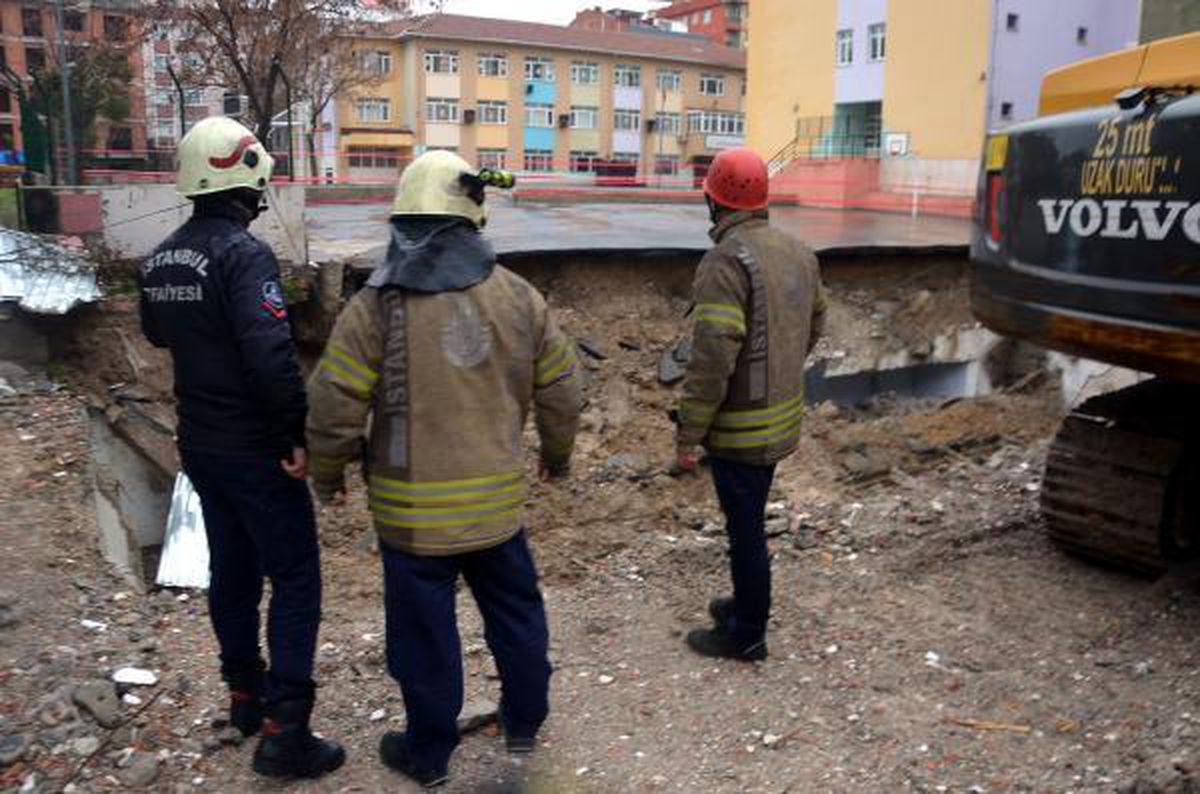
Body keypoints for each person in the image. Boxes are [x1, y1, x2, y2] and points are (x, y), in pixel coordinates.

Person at [306, 150, 582, 788]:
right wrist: (556, 456)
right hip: (497, 515)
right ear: (473, 216)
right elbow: (565, 389)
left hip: (412, 523)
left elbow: (331, 405)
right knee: (517, 617)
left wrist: (329, 475)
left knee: (424, 641)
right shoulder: (519, 296)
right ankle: (524, 723)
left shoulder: (377, 307)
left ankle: (428, 756)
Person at [139, 116, 344, 778]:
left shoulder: (162, 255)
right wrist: (292, 434)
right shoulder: (244, 255)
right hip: (255, 446)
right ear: (245, 179)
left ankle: (244, 695)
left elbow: (158, 334)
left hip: (201, 444)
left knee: (230, 570)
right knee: (294, 577)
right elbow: (270, 352)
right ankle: (287, 730)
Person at [674, 147, 827, 661]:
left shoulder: (726, 261)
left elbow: (713, 357)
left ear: (714, 201)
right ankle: (743, 605)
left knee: (745, 532)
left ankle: (747, 634)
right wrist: (782, 366)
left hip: (740, 432)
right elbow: (816, 324)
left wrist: (689, 435)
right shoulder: (798, 252)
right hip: (781, 422)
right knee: (750, 519)